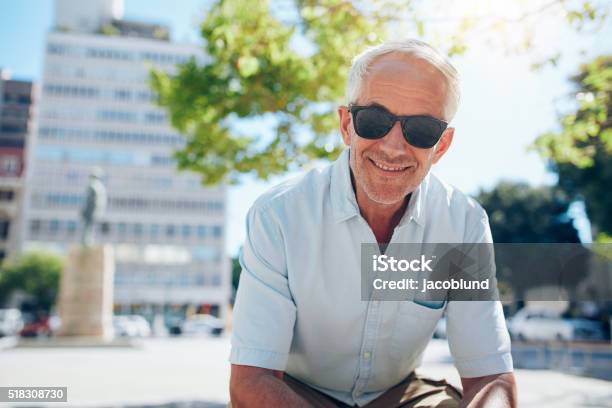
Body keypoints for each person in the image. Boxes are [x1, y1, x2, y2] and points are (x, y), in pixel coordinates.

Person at [229, 39, 517, 407]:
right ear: (347, 125)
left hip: (402, 394)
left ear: (441, 146)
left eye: (422, 129)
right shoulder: (278, 216)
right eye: (375, 120)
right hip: (295, 392)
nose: (393, 147)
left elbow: (490, 375)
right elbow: (251, 380)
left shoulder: (463, 225)